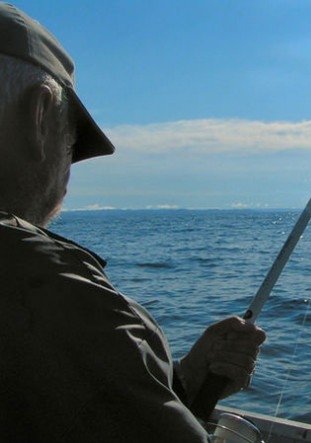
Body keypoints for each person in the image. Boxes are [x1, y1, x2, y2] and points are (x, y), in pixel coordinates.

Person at [0, 3, 265, 442]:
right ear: (39, 114)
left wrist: (182, 382)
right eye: (72, 143)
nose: (69, 174)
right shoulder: (50, 292)